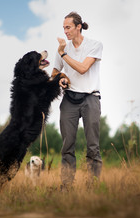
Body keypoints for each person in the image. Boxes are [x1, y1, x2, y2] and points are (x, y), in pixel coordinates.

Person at [51, 12, 103, 188]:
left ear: (78, 26)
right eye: (64, 28)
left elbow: (83, 69)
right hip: (69, 100)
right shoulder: (62, 48)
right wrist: (62, 78)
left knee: (93, 147)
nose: (65, 31)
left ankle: (92, 187)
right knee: (67, 146)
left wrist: (63, 54)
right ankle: (66, 187)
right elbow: (54, 73)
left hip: (90, 99)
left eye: (68, 27)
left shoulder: (95, 45)